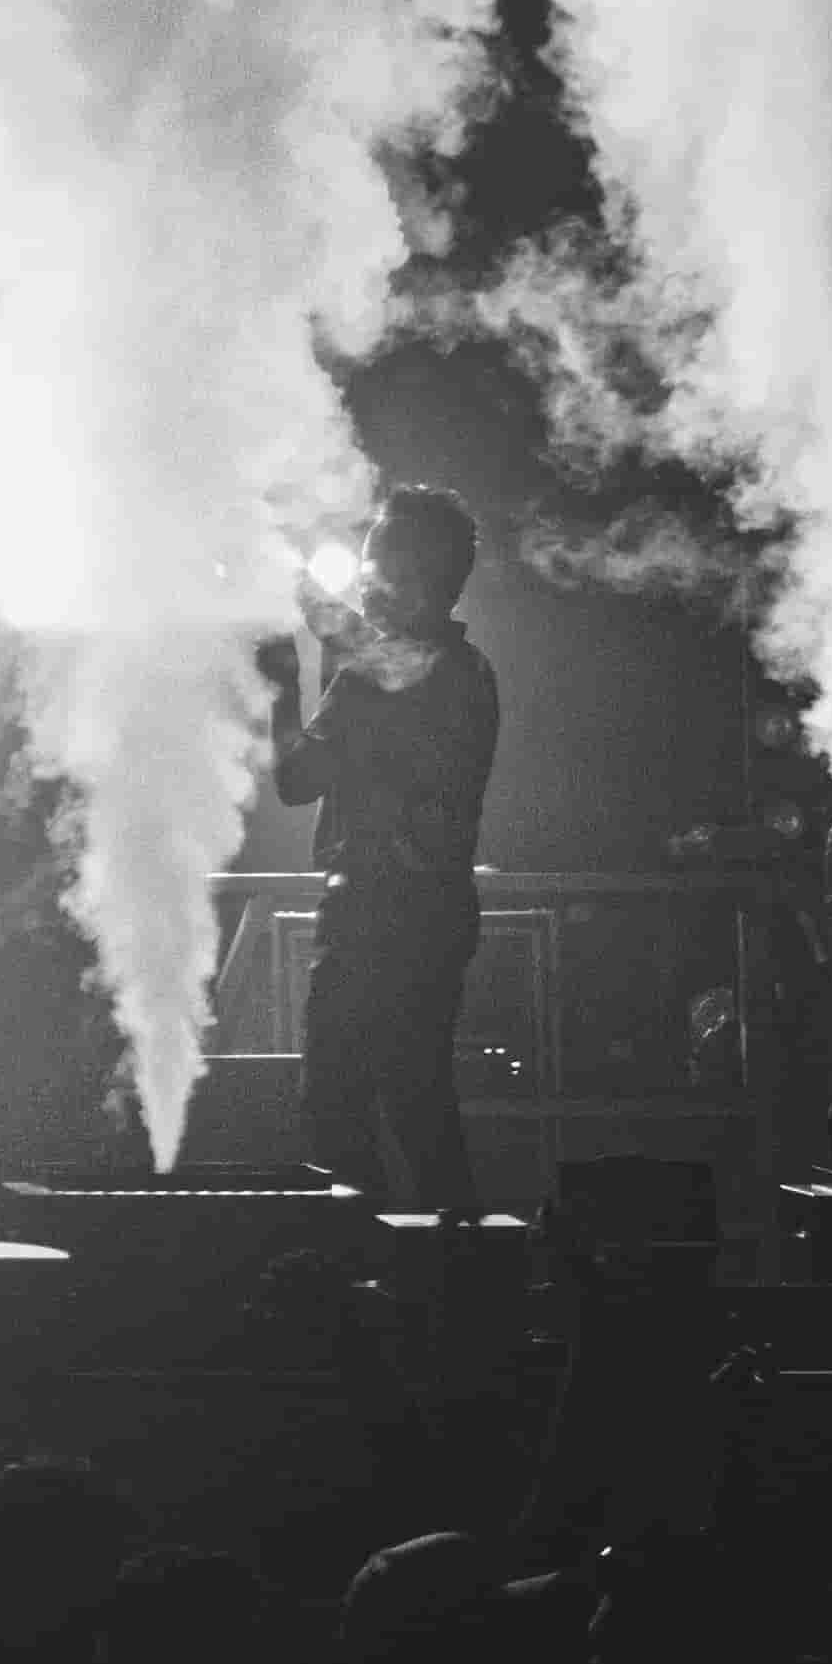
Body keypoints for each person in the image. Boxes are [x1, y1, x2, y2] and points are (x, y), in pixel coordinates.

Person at [263, 485, 503, 1216]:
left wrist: (283, 687)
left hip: (376, 909)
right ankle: (459, 1257)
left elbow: (297, 779)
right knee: (417, 1102)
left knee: (335, 1105)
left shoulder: (386, 672)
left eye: (376, 558)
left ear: (414, 573)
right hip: (431, 908)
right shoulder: (463, 669)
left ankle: (359, 1259)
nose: (364, 575)